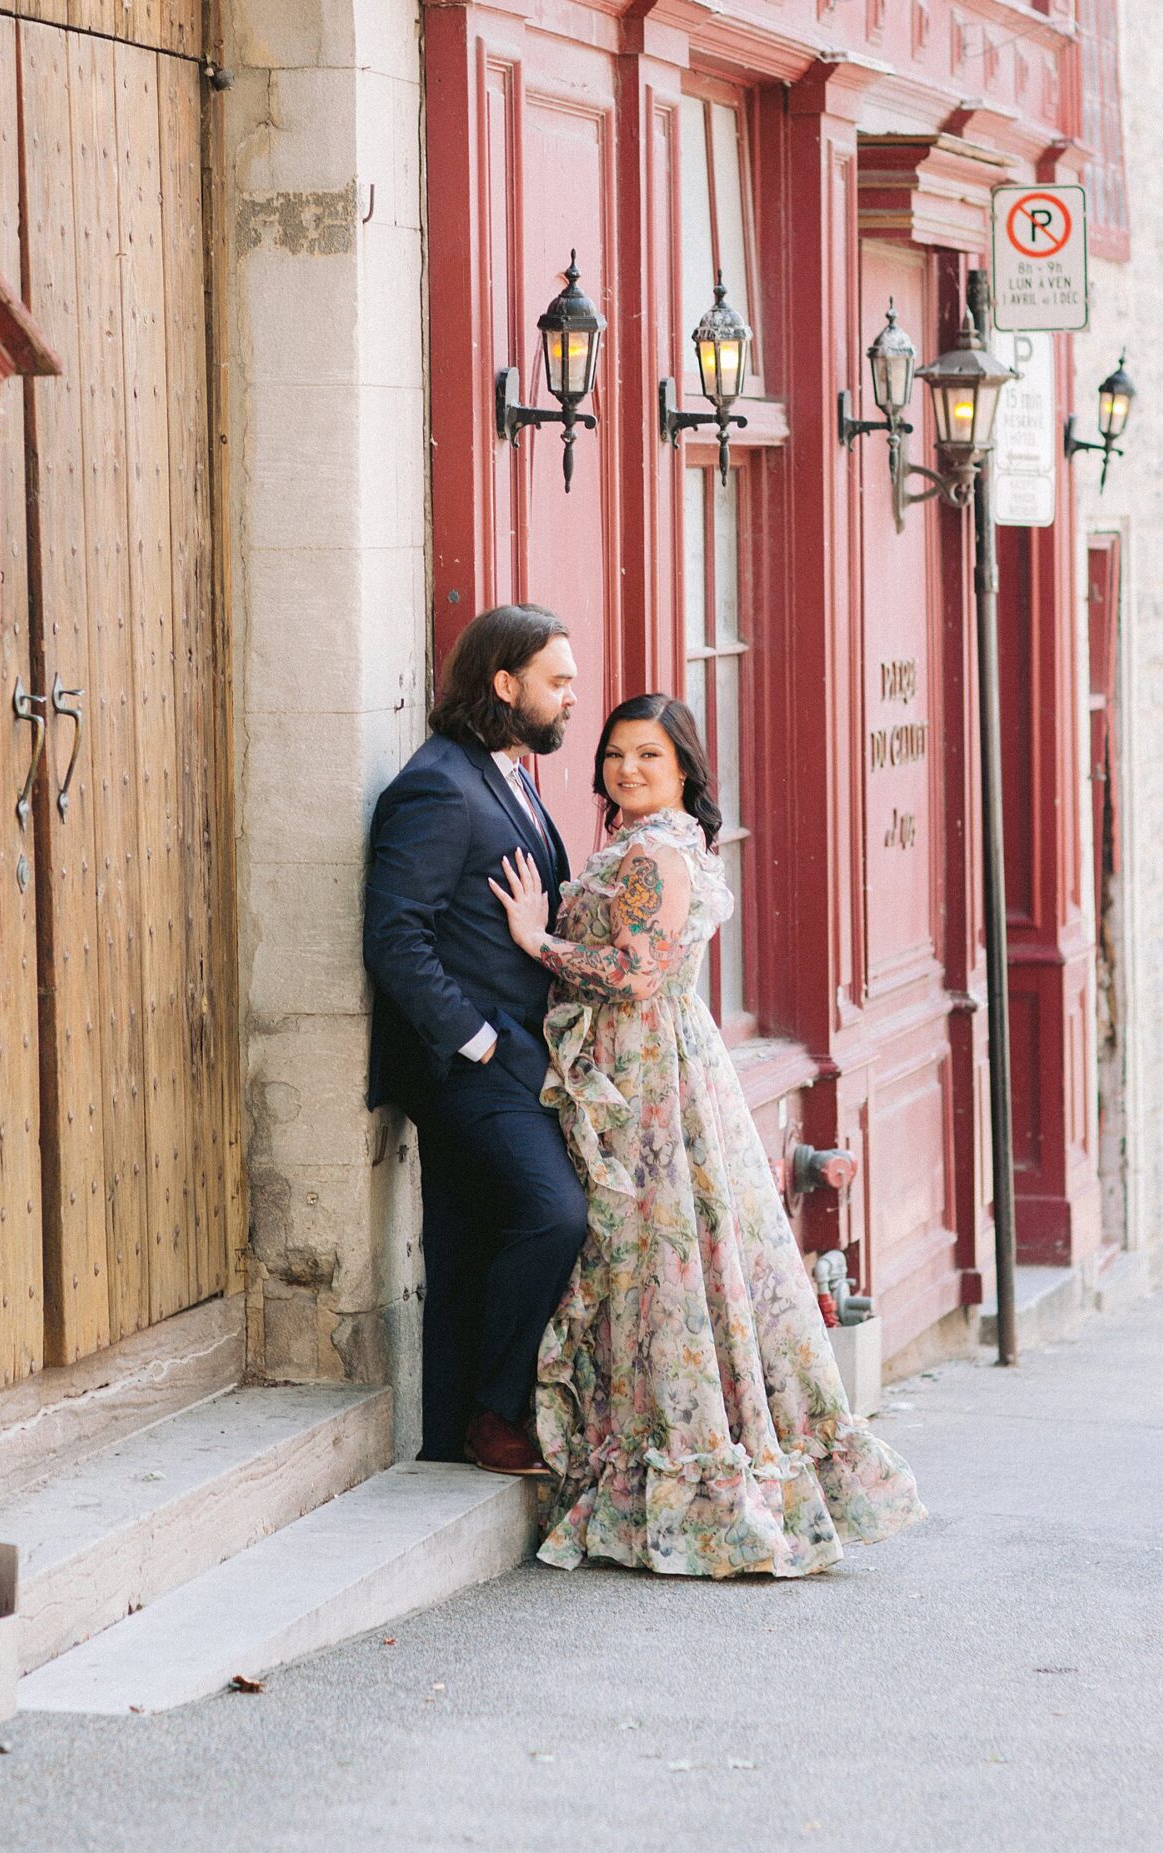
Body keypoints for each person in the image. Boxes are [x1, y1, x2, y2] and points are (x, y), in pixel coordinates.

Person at [491, 692, 926, 1577]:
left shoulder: (654, 849)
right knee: (659, 1267)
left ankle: (697, 1486)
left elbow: (638, 974)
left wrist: (537, 941)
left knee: (661, 1264)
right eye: (615, 755)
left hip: (651, 1074)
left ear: (683, 767)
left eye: (648, 756)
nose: (627, 771)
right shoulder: (652, 842)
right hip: (654, 1066)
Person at [363, 603, 589, 1476]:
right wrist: (474, 1041)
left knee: (468, 1237)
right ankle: (496, 1415)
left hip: (518, 1059)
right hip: (466, 1067)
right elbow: (395, 934)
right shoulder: (437, 784)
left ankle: (455, 1422)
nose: (572, 698)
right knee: (551, 1213)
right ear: (504, 684)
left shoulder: (509, 773)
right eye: (556, 682)